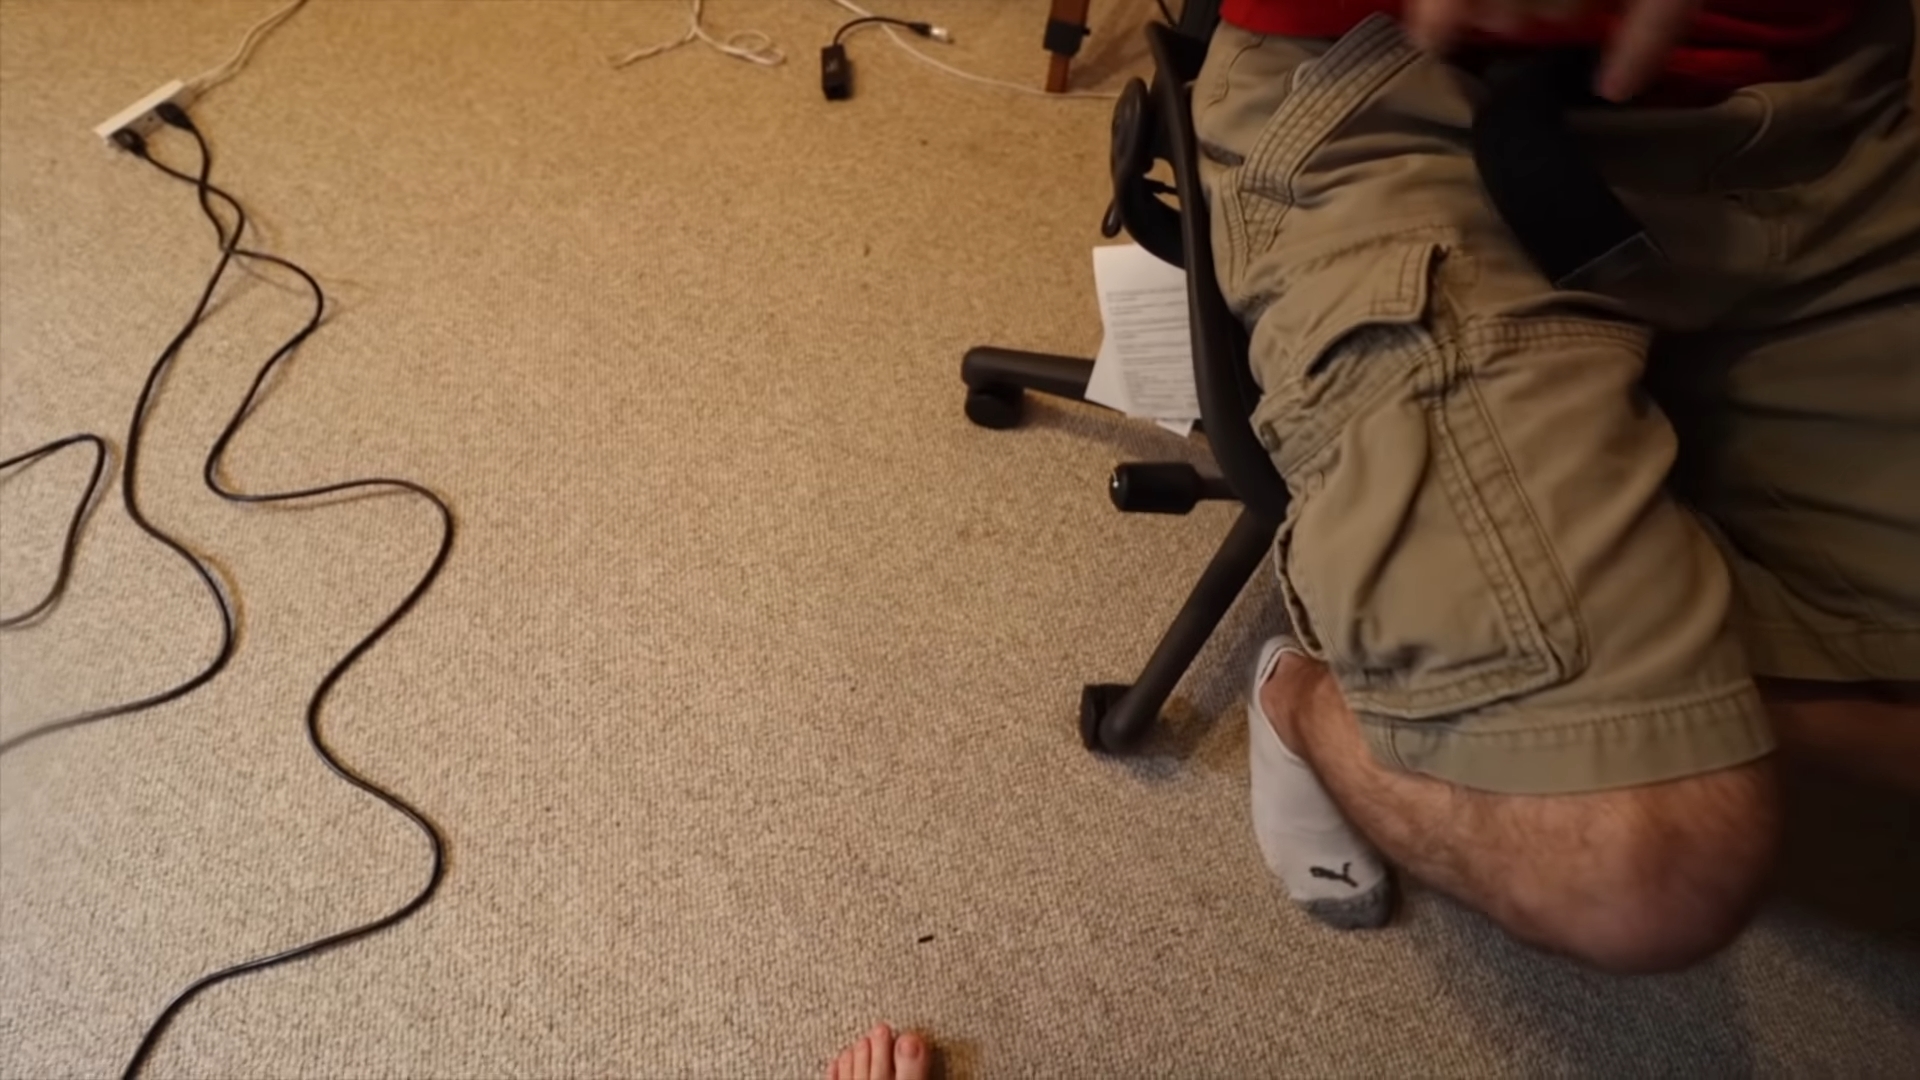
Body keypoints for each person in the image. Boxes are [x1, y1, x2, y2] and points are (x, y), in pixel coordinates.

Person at [827, 0, 1917, 1068]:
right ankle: (1306, 698)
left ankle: (1609, 646)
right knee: (1641, 873)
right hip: (1403, 91)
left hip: (1827, 106)